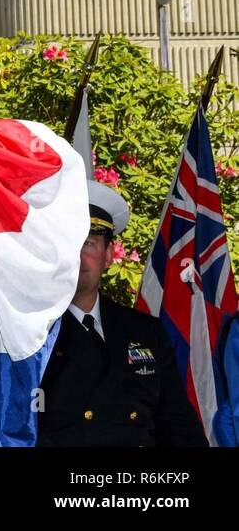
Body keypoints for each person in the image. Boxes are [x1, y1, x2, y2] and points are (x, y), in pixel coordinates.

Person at [37, 181, 207, 447]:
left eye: (89, 244)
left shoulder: (145, 332)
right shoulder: (32, 334)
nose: (78, 256)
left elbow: (180, 427)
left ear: (107, 257)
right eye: (69, 243)